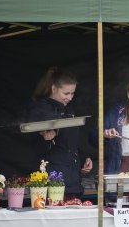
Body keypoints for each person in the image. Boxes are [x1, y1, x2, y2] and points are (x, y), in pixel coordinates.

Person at [27, 67, 93, 199]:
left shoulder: (69, 110)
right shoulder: (39, 109)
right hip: (51, 181)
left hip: (73, 181)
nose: (70, 98)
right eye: (66, 93)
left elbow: (71, 143)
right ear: (53, 88)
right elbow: (36, 147)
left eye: (72, 93)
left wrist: (84, 159)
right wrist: (46, 139)